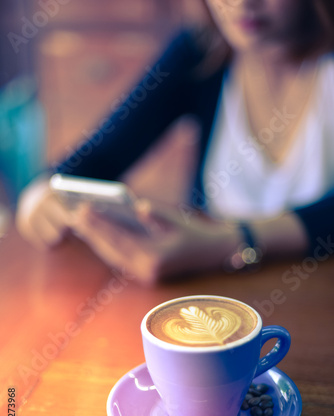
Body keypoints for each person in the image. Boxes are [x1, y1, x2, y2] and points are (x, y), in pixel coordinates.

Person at [16, 0, 334, 284]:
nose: (241, 3)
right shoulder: (199, 51)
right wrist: (41, 196)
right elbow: (92, 161)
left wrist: (232, 242)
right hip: (217, 295)